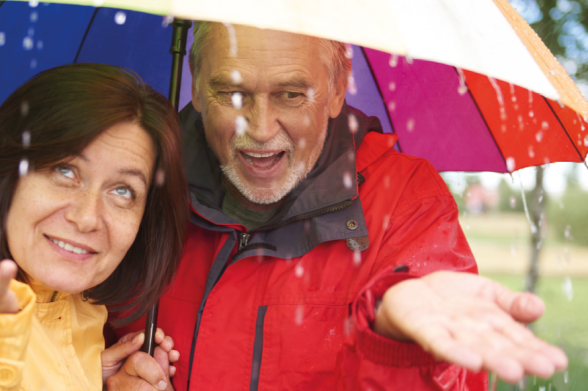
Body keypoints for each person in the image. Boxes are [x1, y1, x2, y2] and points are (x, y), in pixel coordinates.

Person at [109, 23, 568, 390]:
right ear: (194, 80)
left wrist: (396, 344)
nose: (261, 129)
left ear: (336, 87)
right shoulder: (133, 184)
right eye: (232, 92)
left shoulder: (406, 200)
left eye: (290, 94)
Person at [0, 63, 188, 390]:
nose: (87, 218)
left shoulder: (83, 307)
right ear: (8, 169)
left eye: (122, 191)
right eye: (65, 171)